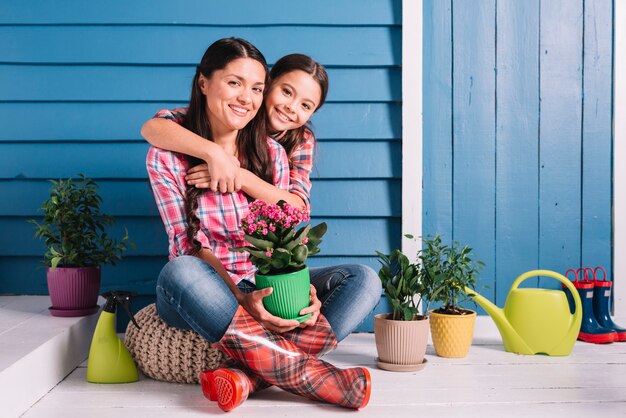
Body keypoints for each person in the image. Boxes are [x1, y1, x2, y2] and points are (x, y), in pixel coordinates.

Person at [146, 38, 371, 412]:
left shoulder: (276, 153)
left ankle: (247, 378)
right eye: (234, 83)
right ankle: (315, 377)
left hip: (262, 281)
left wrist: (299, 291)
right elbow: (186, 243)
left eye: (254, 87)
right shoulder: (168, 151)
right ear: (204, 82)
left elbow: (290, 229)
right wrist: (241, 301)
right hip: (207, 287)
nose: (246, 97)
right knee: (180, 270)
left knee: (362, 279)